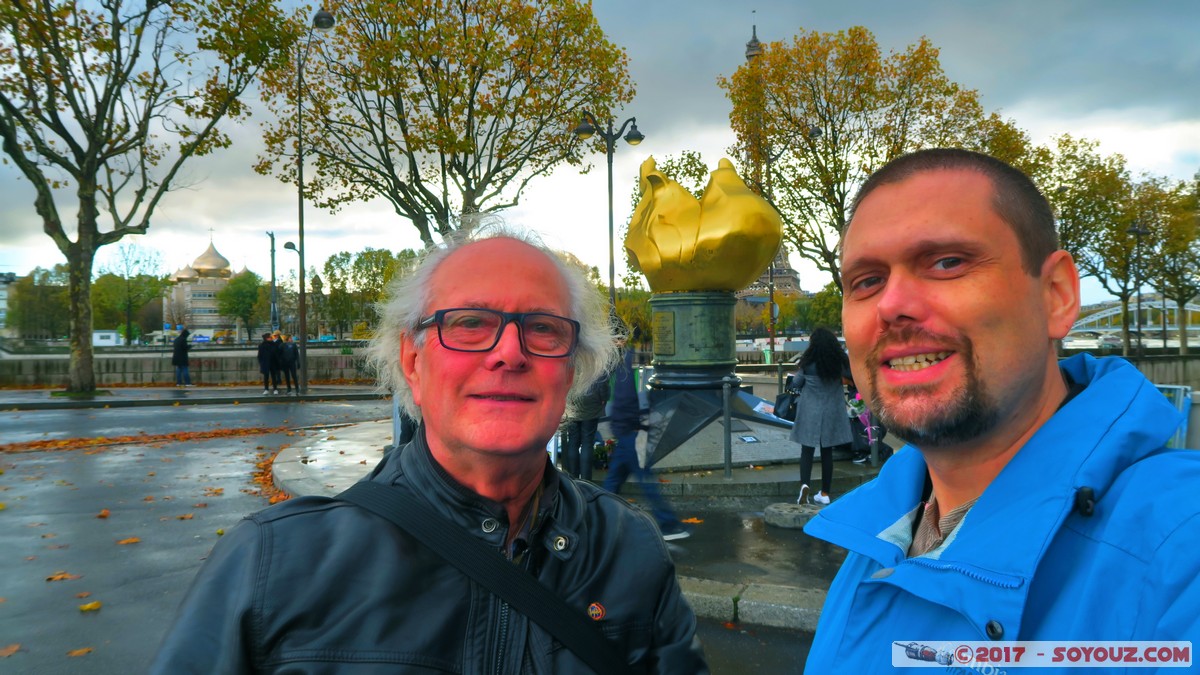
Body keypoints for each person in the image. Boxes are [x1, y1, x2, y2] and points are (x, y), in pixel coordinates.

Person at [151, 228, 708, 673]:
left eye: (542, 329)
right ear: (412, 363)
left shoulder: (632, 550)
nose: (508, 352)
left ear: (572, 372)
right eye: (469, 324)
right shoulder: (269, 564)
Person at [804, 148, 1200, 671]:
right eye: (866, 281)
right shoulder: (878, 536)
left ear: (1056, 295)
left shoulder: (1181, 549)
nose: (891, 304)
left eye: (947, 262)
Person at [602, 332, 691, 541]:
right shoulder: (629, 363)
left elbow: (623, 399)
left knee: (614, 482)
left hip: (628, 433)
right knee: (644, 483)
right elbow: (631, 399)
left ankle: (601, 518)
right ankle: (669, 524)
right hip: (632, 435)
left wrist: (623, 426)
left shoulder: (624, 364)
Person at [789, 327, 852, 506]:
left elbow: (796, 383)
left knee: (806, 451)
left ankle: (804, 486)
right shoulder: (839, 362)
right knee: (827, 452)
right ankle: (824, 493)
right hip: (832, 411)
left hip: (810, 410)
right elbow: (850, 378)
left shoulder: (807, 362)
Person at [558, 370, 609, 479]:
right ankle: (586, 479)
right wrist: (603, 398)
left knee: (572, 441)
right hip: (591, 403)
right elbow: (602, 380)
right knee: (587, 442)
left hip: (572, 402)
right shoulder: (595, 354)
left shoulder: (570, 355)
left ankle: (572, 477)